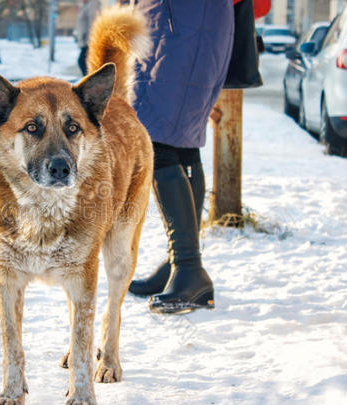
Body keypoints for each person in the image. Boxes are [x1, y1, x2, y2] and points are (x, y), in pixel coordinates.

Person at [127, 0, 235, 314]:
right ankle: (180, 263)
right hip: (172, 25)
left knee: (156, 142)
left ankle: (188, 267)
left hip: (183, 27)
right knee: (179, 142)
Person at [75, 0, 100, 76]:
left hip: (89, 41)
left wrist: (92, 40)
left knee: (82, 61)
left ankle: (89, 83)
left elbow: (94, 22)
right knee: (85, 63)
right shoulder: (86, 5)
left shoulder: (93, 4)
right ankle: (90, 83)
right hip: (86, 41)